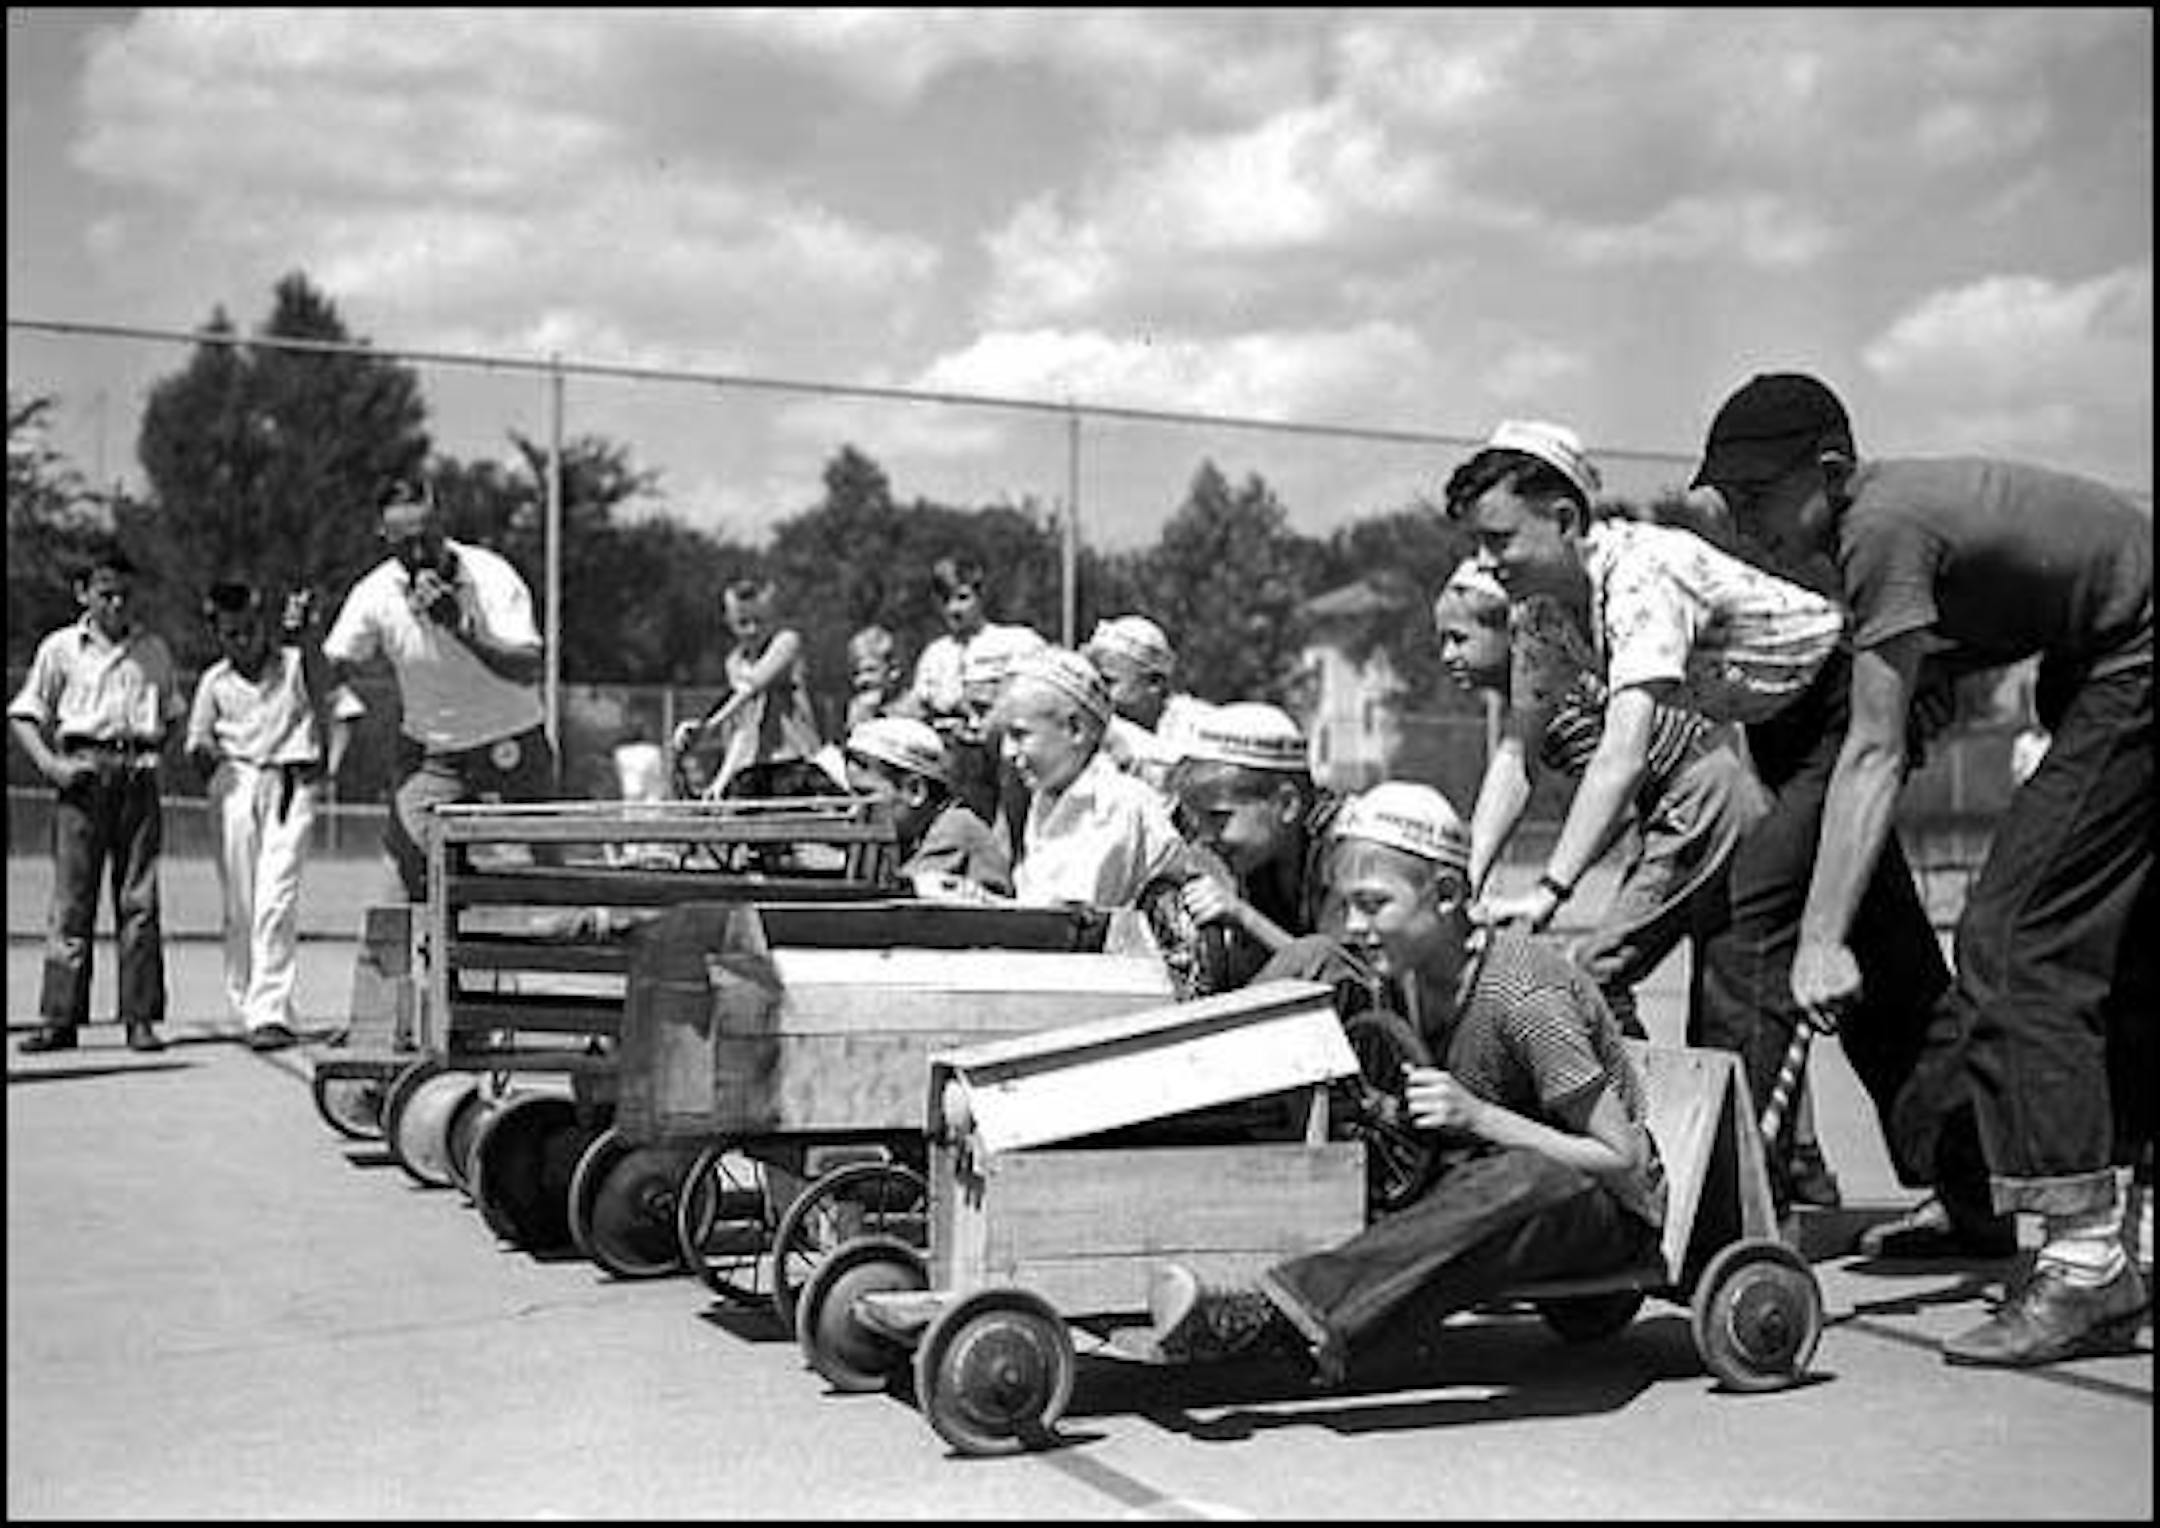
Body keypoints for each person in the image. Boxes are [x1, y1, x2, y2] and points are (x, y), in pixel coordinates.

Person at [1691, 370, 2152, 1366]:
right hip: (2101, 648)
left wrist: (1818, 942)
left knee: (2015, 941)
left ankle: (2086, 1268)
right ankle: (2126, 1240)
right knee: (2105, 955)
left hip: (2137, 652)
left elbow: (1870, 750)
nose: (1746, 526)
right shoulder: (1883, 524)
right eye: (1731, 505)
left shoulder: (1880, 529)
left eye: (1761, 500)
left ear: (1829, 471)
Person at [1439, 418, 1890, 1215]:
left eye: (1498, 539)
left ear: (1567, 521)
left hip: (1831, 702)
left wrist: (1548, 890)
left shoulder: (1640, 572)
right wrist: (1461, 881)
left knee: (1614, 971)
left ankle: (1692, 1168)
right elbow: (1516, 756)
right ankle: (1793, 1168)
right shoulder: (1541, 614)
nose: (1485, 562)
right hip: (1760, 741)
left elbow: (1622, 756)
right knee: (1784, 970)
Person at [1148, 781, 1665, 1387]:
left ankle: (1273, 1318)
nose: (1355, 925)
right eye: (1345, 905)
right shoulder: (1408, 971)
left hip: (1591, 1204)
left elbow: (1623, 1160)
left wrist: (1478, 1117)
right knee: (1317, 966)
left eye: (1373, 905)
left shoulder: (1526, 994)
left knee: (1527, 1175)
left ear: (1446, 896)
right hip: (1471, 1177)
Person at [322, 477, 556, 902]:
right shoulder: (374, 594)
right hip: (432, 759)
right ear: (384, 538)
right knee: (400, 892)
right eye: (403, 544)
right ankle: (400, 969)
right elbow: (328, 676)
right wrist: (303, 644)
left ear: (442, 523)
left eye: (426, 539)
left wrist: (461, 629)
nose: (417, 555)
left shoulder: (491, 576)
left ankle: (565, 954)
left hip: (512, 748)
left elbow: (528, 667)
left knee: (549, 890)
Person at [10, 544, 185, 1054]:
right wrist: (51, 765)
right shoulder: (61, 649)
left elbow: (172, 712)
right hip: (82, 777)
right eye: (106, 594)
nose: (116, 605)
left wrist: (151, 752)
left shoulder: (153, 650)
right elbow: (25, 714)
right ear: (83, 593)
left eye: (125, 595)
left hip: (136, 776)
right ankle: (60, 1017)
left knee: (139, 901)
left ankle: (139, 1016)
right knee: (71, 903)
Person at [184, 581, 365, 1051]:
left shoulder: (296, 666)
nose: (242, 641)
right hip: (235, 783)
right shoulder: (214, 682)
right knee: (240, 904)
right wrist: (211, 764)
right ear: (217, 635)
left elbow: (344, 709)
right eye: (231, 634)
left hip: (291, 783)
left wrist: (331, 769)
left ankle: (270, 1010)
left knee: (275, 900)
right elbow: (197, 740)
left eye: (248, 630)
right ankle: (250, 1002)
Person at [1160, 700, 1345, 991]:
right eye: (1199, 821)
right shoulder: (1257, 852)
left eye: (1219, 817)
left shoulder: (1343, 853)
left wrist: (1242, 916)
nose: (1205, 836)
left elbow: (1337, 971)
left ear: (1286, 804)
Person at [995, 644, 1188, 908]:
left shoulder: (1118, 803)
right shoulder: (1046, 798)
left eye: (1020, 735)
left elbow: (1073, 921)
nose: (1007, 751)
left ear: (1075, 729)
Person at [672, 577, 838, 801]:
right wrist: (720, 781)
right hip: (756, 771)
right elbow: (744, 728)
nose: (752, 630)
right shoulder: (734, 662)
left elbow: (751, 686)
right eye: (743, 622)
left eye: (759, 621)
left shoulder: (786, 642)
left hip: (796, 765)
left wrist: (708, 726)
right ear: (728, 622)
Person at [841, 714, 1013, 898]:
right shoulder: (910, 836)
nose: (854, 810)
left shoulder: (955, 829)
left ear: (914, 790)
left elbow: (894, 895)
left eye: (865, 795)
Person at [1083, 614, 1209, 791]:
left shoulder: (1198, 724)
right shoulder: (1092, 727)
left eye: (1110, 681)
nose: (1099, 692)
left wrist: (1130, 763)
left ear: (1154, 683)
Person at [843, 624, 904, 732]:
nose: (862, 680)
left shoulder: (909, 709)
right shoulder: (858, 709)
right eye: (856, 674)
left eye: (870, 670)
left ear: (894, 671)